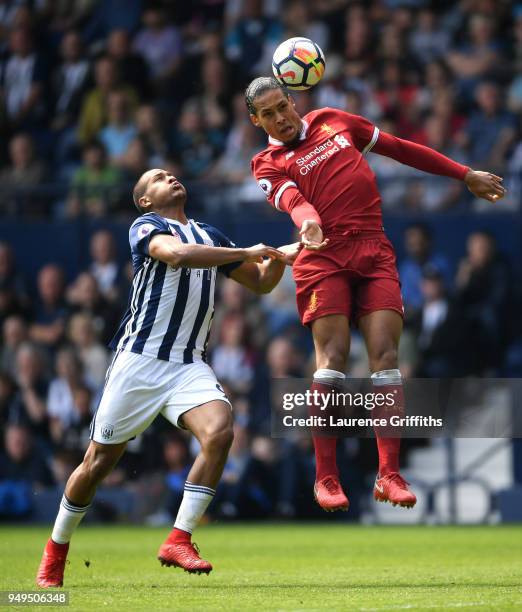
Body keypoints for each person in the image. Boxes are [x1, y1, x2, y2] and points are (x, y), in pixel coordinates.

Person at [245, 76, 505, 513]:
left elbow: (401, 148)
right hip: (322, 255)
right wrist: (308, 221)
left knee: (386, 357)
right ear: (256, 121)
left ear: (292, 100)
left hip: (373, 248)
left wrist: (464, 175)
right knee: (333, 360)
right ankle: (325, 478)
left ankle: (389, 474)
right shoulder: (266, 162)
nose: (279, 118)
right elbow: (294, 202)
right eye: (267, 114)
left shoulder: (335, 121)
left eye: (281, 106)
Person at [36, 167, 300, 587]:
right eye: (158, 178)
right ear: (145, 199)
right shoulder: (146, 226)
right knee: (97, 463)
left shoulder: (211, 234)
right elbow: (176, 255)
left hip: (188, 364)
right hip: (139, 362)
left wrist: (287, 255)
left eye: (171, 174)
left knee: (220, 432)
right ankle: (56, 549)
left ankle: (180, 537)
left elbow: (263, 284)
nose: (170, 178)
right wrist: (247, 252)